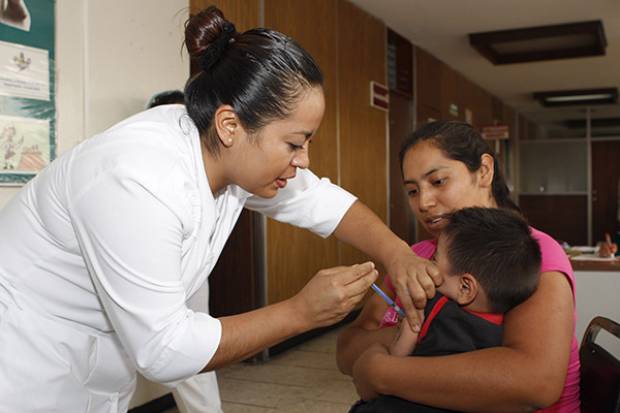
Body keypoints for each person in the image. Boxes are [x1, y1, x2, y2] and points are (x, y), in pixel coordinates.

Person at [0, 6, 439, 413]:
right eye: (294, 143)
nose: (303, 160)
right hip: (25, 365)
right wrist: (300, 313)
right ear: (230, 124)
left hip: (93, 366)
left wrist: (398, 255)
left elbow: (321, 201)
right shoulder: (136, 178)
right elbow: (165, 348)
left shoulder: (228, 156)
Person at [337, 121, 581, 412]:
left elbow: (535, 382)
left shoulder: (528, 255)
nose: (424, 202)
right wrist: (410, 334)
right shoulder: (415, 255)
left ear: (485, 171)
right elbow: (347, 349)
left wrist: (381, 370)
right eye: (412, 191)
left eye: (438, 181)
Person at [348, 207, 542, 413]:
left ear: (465, 287)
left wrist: (377, 353)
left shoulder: (431, 305)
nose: (426, 265)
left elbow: (398, 353)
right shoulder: (511, 327)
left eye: (433, 260)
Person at [145, 89, 222, 413]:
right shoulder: (141, 172)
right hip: (150, 271)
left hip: (190, 272)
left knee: (193, 351)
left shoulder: (207, 171)